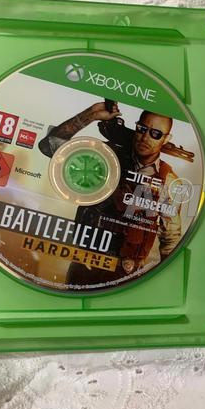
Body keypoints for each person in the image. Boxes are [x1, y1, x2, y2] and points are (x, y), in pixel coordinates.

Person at [39, 102, 182, 288]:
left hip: (128, 277)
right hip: (85, 266)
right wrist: (91, 114)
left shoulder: (169, 182)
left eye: (155, 134)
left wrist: (166, 285)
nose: (145, 137)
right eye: (142, 129)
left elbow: (170, 239)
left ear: (166, 138)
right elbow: (49, 145)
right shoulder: (106, 156)